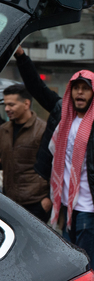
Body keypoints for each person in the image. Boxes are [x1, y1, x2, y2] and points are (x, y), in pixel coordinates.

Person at [14, 46, 94, 271]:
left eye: (85, 89)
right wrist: (21, 57)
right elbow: (36, 88)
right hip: (66, 206)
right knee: (71, 265)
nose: (79, 93)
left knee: (84, 265)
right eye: (76, 88)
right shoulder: (62, 113)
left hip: (90, 207)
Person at [0, 84, 50, 221]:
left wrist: (48, 198)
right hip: (10, 202)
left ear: (26, 104)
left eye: (11, 105)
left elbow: (53, 166)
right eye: (5, 104)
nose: (6, 109)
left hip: (36, 203)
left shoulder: (42, 130)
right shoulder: (3, 130)